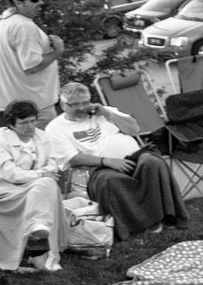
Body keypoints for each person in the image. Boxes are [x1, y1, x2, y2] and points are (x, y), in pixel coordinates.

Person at [43, 81, 185, 241]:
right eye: (75, 104)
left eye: (85, 103)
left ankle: (166, 216)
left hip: (132, 156)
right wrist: (107, 161)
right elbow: (73, 158)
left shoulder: (103, 112)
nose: (82, 108)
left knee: (154, 163)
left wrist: (107, 114)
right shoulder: (55, 128)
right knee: (110, 180)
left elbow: (134, 129)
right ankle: (139, 224)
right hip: (97, 168)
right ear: (63, 105)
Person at [0, 99, 66, 270]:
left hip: (36, 187)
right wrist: (39, 174)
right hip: (8, 189)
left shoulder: (43, 137)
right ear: (12, 125)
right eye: (23, 122)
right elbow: (9, 172)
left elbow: (53, 164)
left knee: (46, 184)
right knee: (45, 183)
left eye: (33, 121)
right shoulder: (1, 138)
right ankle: (38, 235)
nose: (30, 126)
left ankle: (40, 237)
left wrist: (43, 175)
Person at [0, 0, 64, 117]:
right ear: (18, 3)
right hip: (36, 108)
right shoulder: (23, 26)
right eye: (34, 0)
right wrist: (57, 52)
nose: (41, 3)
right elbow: (32, 66)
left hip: (15, 106)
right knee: (46, 139)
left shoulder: (5, 23)